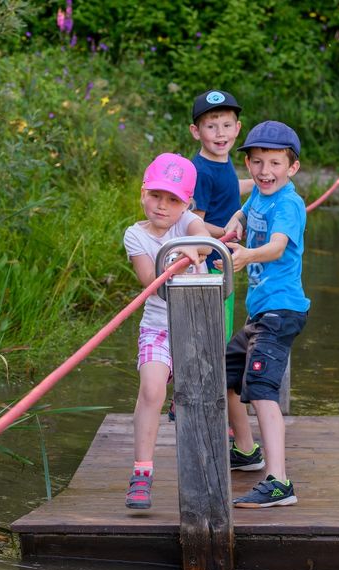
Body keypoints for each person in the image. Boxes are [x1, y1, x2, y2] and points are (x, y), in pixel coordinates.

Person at [217, 121, 310, 508]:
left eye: (274, 163)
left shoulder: (289, 203)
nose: (265, 171)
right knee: (225, 372)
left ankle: (279, 481)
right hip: (260, 314)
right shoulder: (259, 193)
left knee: (262, 391)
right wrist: (234, 224)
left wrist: (246, 256)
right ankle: (246, 450)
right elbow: (245, 209)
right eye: (257, 162)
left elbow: (275, 246)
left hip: (281, 310)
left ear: (293, 167)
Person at [123, 153, 210, 509]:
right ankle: (142, 472)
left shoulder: (187, 220)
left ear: (186, 202)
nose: (163, 206)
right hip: (159, 326)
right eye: (156, 195)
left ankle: (210, 472)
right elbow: (150, 281)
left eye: (173, 199)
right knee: (151, 389)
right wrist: (175, 262)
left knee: (203, 399)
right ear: (143, 193)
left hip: (198, 326)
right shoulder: (135, 235)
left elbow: (203, 241)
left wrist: (190, 248)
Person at [188, 89, 254, 341]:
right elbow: (195, 224)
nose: (220, 133)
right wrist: (230, 232)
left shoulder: (221, 161)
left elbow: (227, 188)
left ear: (237, 128)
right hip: (210, 264)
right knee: (214, 333)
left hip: (225, 259)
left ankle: (222, 376)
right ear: (196, 131)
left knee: (224, 327)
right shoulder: (201, 172)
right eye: (211, 126)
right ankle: (214, 379)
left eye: (227, 125)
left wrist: (259, 183)